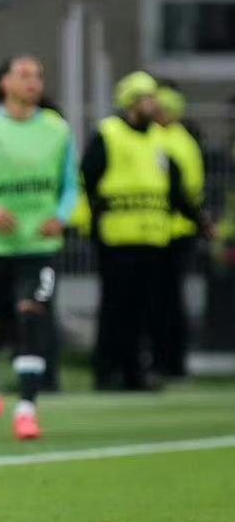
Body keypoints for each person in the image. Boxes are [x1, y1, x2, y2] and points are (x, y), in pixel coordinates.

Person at [0, 55, 78, 443]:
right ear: (3, 83)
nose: (33, 82)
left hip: (38, 246)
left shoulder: (57, 129)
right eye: (24, 75)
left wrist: (61, 215)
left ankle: (26, 409)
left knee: (31, 315)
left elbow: (70, 185)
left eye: (38, 75)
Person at [81, 72, 207, 391]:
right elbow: (87, 180)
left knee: (143, 312)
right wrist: (88, 226)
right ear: (131, 102)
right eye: (147, 98)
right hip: (117, 239)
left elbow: (175, 189)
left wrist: (200, 221)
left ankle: (134, 374)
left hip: (153, 238)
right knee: (116, 310)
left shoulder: (159, 140)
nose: (154, 104)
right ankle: (108, 372)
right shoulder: (109, 134)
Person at [153, 82, 203, 379]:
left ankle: (167, 362)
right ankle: (172, 362)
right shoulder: (186, 140)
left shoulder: (164, 140)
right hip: (179, 229)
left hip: (168, 230)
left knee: (164, 302)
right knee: (171, 301)